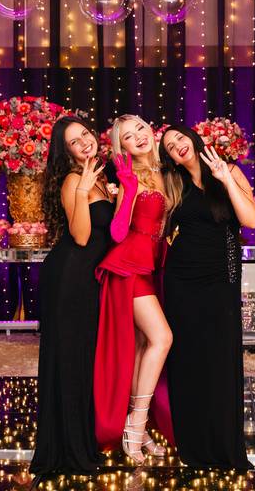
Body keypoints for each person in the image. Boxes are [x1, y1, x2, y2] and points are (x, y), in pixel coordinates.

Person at [159, 124, 255, 469]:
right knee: (189, 360)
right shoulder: (174, 184)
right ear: (170, 158)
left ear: (193, 139)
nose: (177, 145)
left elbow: (250, 220)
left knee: (221, 359)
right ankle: (193, 444)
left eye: (179, 138)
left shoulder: (229, 170)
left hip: (221, 279)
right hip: (182, 281)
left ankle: (224, 443)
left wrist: (225, 178)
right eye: (169, 146)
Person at [31, 116, 113, 474]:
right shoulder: (73, 179)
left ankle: (81, 445)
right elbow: (81, 237)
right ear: (66, 153)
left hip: (86, 277)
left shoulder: (100, 176)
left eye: (85, 134)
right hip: (69, 278)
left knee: (84, 361)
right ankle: (72, 454)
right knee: (71, 362)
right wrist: (82, 190)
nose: (84, 142)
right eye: (74, 142)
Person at [93, 114, 176, 464]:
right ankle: (135, 425)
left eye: (140, 128)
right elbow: (116, 233)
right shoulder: (132, 176)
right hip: (128, 266)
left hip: (151, 265)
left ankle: (139, 431)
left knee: (142, 346)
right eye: (128, 136)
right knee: (162, 338)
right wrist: (127, 189)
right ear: (122, 147)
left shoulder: (165, 170)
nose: (138, 136)